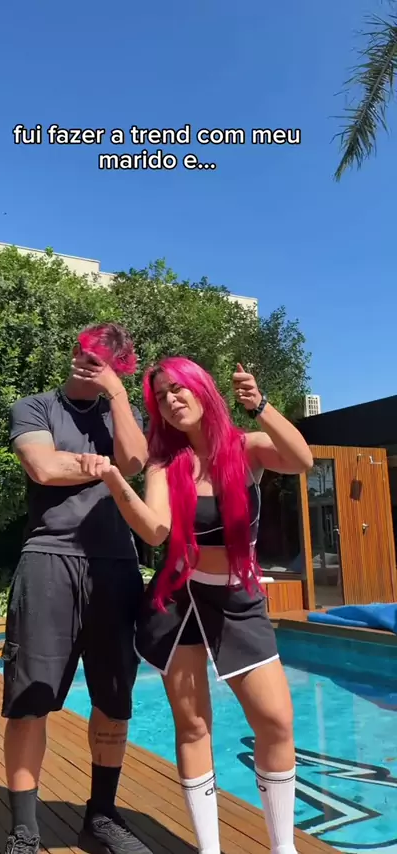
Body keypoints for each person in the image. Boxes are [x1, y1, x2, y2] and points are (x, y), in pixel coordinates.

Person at [80, 357, 314, 854]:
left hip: (237, 599)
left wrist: (261, 405)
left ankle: (283, 848)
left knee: (276, 722)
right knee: (193, 727)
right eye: (161, 396)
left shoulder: (247, 448)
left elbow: (301, 461)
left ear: (202, 389)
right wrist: (116, 483)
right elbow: (155, 530)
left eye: (178, 388)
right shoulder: (166, 464)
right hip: (178, 600)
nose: (171, 400)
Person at [1, 323, 151, 854]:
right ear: (74, 352)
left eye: (106, 362)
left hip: (116, 565)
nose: (92, 366)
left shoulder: (124, 414)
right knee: (29, 700)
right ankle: (24, 830)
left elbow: (135, 463)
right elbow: (42, 467)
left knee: (114, 699)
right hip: (48, 559)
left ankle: (101, 817)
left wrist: (118, 397)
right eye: (87, 355)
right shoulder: (35, 408)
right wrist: (104, 469)